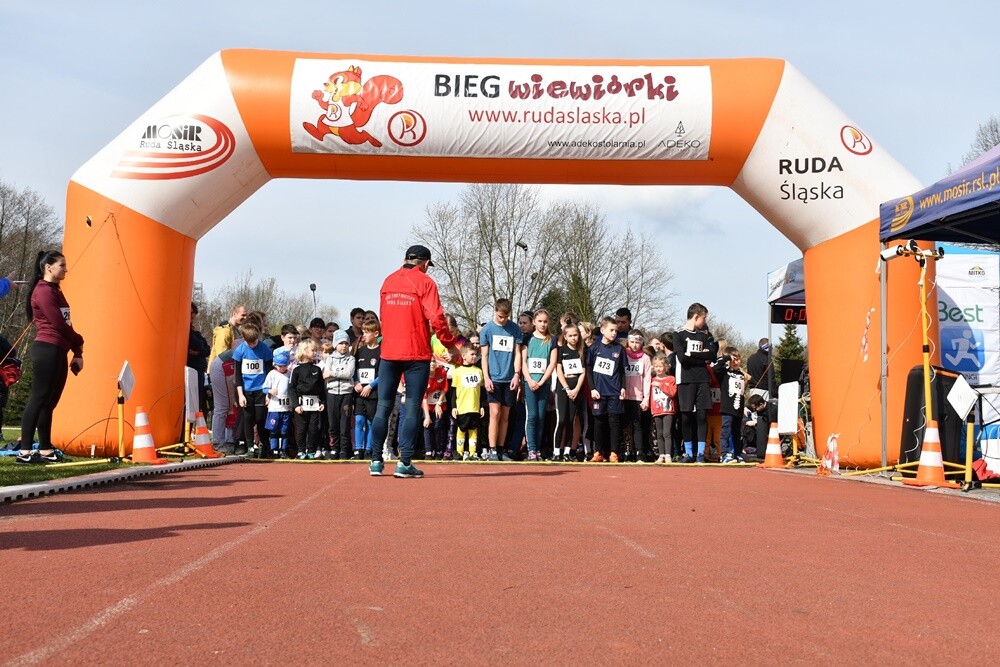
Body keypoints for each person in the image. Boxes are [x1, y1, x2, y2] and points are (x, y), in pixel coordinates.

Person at [367, 244, 458, 478]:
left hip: (389, 352)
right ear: (425, 263)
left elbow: (383, 315)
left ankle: (376, 460)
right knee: (412, 406)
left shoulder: (388, 281)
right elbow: (437, 318)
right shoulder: (425, 282)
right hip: (416, 353)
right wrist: (450, 344)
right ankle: (404, 462)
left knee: (383, 406)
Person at [17, 251, 84, 464]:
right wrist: (79, 339)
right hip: (47, 349)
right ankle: (25, 451)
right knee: (38, 399)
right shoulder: (43, 291)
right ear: (48, 267)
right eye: (62, 265)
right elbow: (58, 323)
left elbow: (66, 323)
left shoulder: (56, 291)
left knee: (50, 402)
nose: (66, 269)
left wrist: (77, 351)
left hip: (59, 350)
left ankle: (45, 449)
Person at [673, 303, 718, 463]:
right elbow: (682, 358)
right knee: (686, 417)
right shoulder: (678, 334)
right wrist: (700, 357)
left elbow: (712, 356)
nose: (705, 321)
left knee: (701, 416)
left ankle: (700, 453)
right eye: (704, 317)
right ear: (696, 316)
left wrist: (692, 354)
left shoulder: (702, 336)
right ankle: (688, 453)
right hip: (685, 380)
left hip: (702, 379)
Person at [480, 298, 522, 461]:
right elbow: (484, 356)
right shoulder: (487, 330)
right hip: (494, 378)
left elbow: (517, 353)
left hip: (509, 378)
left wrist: (517, 374)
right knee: (495, 413)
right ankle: (491, 450)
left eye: (505, 316)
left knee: (505, 416)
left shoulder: (515, 329)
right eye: (500, 316)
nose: (503, 319)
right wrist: (486, 378)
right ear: (495, 311)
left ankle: (500, 448)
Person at [586, 316, 626, 463]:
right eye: (611, 330)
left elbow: (622, 371)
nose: (614, 333)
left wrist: (623, 387)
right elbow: (588, 370)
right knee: (598, 422)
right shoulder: (594, 348)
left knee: (614, 421)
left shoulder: (619, 349)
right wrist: (592, 388)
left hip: (614, 392)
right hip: (599, 392)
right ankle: (598, 452)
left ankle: (614, 452)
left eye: (616, 331)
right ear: (602, 330)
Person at [209, 304, 247, 451]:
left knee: (233, 406)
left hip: (230, 368)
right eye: (242, 315)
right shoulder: (225, 330)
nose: (244, 318)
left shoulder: (237, 331)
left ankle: (229, 439)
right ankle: (218, 442)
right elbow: (221, 353)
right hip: (222, 367)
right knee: (222, 406)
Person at [521, 309, 558, 461]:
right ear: (534, 322)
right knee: (532, 415)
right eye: (540, 321)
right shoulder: (527, 339)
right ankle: (531, 449)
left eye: (545, 321)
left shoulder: (552, 340)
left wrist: (542, 381)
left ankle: (538, 450)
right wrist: (530, 380)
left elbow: (552, 363)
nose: (543, 324)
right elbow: (523, 362)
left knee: (541, 416)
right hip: (529, 382)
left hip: (544, 383)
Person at [233, 322, 274, 457]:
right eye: (249, 343)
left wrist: (268, 393)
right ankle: (250, 446)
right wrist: (240, 395)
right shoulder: (240, 351)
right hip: (246, 390)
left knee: (261, 418)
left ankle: (264, 445)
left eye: (255, 342)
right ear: (244, 339)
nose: (252, 345)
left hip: (261, 390)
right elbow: (238, 375)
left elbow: (269, 373)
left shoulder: (265, 349)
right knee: (247, 418)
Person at [553, 321, 587, 462]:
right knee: (561, 420)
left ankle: (567, 452)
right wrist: (567, 388)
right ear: (565, 337)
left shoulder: (581, 351)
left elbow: (583, 372)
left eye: (576, 335)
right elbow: (558, 370)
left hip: (576, 388)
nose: (574, 338)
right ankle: (556, 452)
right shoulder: (561, 350)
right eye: (571, 336)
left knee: (570, 421)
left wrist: (576, 389)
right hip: (563, 388)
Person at [288, 339, 325, 460]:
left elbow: (321, 388)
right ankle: (300, 450)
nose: (315, 353)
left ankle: (311, 449)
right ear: (304, 351)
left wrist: (323, 402)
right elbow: (292, 388)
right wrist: (296, 405)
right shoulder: (296, 370)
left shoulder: (317, 369)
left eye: (316, 350)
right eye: (312, 350)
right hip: (301, 404)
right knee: (301, 428)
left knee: (313, 428)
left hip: (314, 404)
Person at [449, 342, 486, 460]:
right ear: (464, 356)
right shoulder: (458, 371)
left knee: (473, 430)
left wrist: (481, 406)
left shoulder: (478, 371)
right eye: (472, 354)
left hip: (474, 407)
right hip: (462, 407)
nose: (474, 356)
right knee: (461, 429)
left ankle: (472, 453)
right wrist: (454, 407)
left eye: (475, 354)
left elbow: (481, 390)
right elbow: (454, 391)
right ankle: (459, 452)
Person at [322, 332, 356, 459]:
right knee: (333, 422)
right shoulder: (330, 358)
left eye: (346, 343)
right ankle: (334, 448)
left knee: (344, 423)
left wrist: (333, 373)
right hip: (332, 393)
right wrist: (335, 373)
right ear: (335, 344)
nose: (344, 346)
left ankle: (344, 449)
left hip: (346, 393)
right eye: (341, 343)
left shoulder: (351, 359)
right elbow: (325, 374)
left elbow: (349, 374)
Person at [353, 318, 381, 460]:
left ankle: (369, 449)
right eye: (363, 332)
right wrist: (356, 382)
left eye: (367, 332)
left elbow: (383, 374)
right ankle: (358, 449)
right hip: (359, 393)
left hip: (373, 393)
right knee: (359, 420)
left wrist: (370, 386)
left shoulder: (381, 352)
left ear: (376, 334)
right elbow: (354, 371)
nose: (364, 335)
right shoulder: (360, 351)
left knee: (370, 422)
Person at [712, 346, 746, 464]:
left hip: (738, 408)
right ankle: (724, 454)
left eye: (738, 359)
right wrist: (726, 358)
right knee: (726, 431)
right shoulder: (724, 373)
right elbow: (715, 368)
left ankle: (737, 453)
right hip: (727, 408)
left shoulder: (741, 374)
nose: (736, 362)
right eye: (733, 360)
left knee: (737, 432)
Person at [622, 329, 652, 462]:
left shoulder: (645, 358)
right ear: (628, 341)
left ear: (642, 343)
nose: (634, 345)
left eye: (637, 342)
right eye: (632, 342)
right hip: (624, 396)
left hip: (638, 397)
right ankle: (628, 451)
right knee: (625, 425)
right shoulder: (623, 355)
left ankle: (640, 452)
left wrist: (646, 398)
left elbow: (647, 379)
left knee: (637, 424)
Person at [263, 348, 292, 458]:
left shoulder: (290, 374)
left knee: (284, 430)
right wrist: (270, 391)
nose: (282, 368)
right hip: (274, 408)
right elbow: (264, 388)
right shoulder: (272, 374)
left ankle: (283, 450)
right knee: (274, 429)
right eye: (279, 366)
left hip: (286, 408)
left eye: (284, 366)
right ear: (275, 364)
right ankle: (273, 449)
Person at [650, 354, 677, 463]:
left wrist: (660, 385)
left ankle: (668, 454)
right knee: (659, 433)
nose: (658, 369)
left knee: (667, 432)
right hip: (656, 410)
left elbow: (672, 392)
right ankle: (661, 455)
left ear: (666, 367)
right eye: (656, 366)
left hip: (667, 409)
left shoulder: (671, 379)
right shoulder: (652, 379)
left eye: (660, 366)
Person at [422, 357, 451, 459]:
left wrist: (439, 403)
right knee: (427, 425)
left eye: (433, 361)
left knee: (438, 426)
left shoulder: (442, 372)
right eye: (429, 362)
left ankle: (439, 450)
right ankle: (428, 451)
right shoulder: (423, 376)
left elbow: (444, 389)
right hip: (427, 405)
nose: (432, 364)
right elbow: (424, 398)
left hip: (439, 403)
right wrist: (427, 416)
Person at [188, 302, 211, 415]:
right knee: (192, 404)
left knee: (197, 404)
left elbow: (207, 350)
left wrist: (199, 351)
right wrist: (201, 348)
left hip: (199, 372)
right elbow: (198, 344)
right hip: (191, 371)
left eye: (194, 313)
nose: (192, 316)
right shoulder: (187, 331)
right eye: (190, 312)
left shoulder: (194, 332)